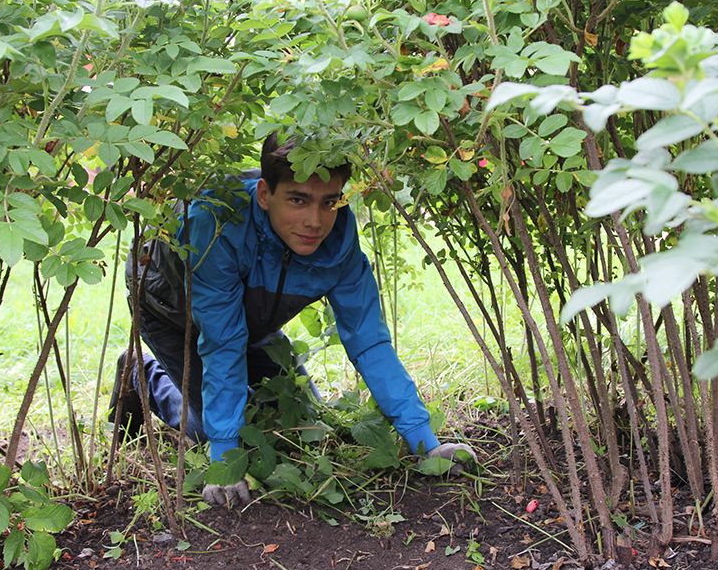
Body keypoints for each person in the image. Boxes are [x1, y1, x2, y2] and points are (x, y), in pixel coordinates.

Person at [110, 133, 476, 506]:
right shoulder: (215, 223)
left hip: (251, 314)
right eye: (298, 200)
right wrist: (224, 460)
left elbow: (369, 341)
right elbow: (223, 345)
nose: (315, 221)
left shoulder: (339, 245)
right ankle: (144, 376)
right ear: (265, 194)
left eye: (328, 202)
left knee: (304, 422)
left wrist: (425, 443)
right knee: (217, 432)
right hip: (171, 307)